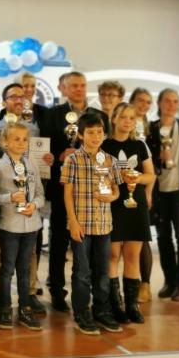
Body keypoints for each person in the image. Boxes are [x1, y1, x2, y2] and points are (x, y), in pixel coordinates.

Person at [41, 71, 108, 313]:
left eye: (82, 85)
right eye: (74, 85)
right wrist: (59, 155)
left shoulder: (98, 116)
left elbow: (106, 149)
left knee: (90, 245)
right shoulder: (52, 114)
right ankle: (57, 291)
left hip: (91, 191)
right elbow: (45, 148)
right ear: (63, 88)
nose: (79, 89)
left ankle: (88, 293)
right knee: (59, 242)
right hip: (63, 187)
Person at [61, 111, 123, 335]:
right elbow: (67, 194)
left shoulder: (110, 160)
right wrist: (73, 222)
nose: (96, 136)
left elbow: (116, 190)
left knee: (102, 271)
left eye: (99, 132)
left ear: (104, 134)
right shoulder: (73, 160)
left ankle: (101, 310)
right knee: (82, 271)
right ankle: (81, 312)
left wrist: (112, 197)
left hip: (103, 225)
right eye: (90, 132)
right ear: (80, 135)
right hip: (81, 225)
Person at [0, 123, 45, 331]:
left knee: (25, 269)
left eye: (24, 139)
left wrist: (34, 205)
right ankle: (5, 308)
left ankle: (24, 309)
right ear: (5, 142)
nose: (21, 143)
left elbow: (40, 194)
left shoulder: (32, 165)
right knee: (7, 269)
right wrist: (10, 197)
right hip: (9, 226)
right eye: (16, 139)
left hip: (31, 225)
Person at [102, 103, 155, 324]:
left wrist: (136, 178)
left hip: (135, 203)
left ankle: (132, 305)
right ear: (114, 118)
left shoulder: (140, 145)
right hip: (112, 203)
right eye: (123, 117)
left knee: (133, 255)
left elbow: (151, 175)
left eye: (132, 118)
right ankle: (115, 305)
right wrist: (116, 179)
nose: (128, 121)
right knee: (113, 255)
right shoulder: (104, 144)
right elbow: (98, 175)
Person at [148, 89, 179, 302]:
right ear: (159, 103)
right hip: (158, 191)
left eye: (175, 101)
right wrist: (158, 157)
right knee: (163, 237)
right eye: (167, 101)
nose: (171, 105)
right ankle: (170, 281)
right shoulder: (150, 129)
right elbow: (144, 159)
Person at [128, 87, 155, 302]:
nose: (144, 105)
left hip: (143, 186)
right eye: (140, 100)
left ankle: (145, 284)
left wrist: (148, 192)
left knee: (142, 238)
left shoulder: (152, 129)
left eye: (148, 101)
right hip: (123, 189)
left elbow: (150, 169)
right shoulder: (121, 126)